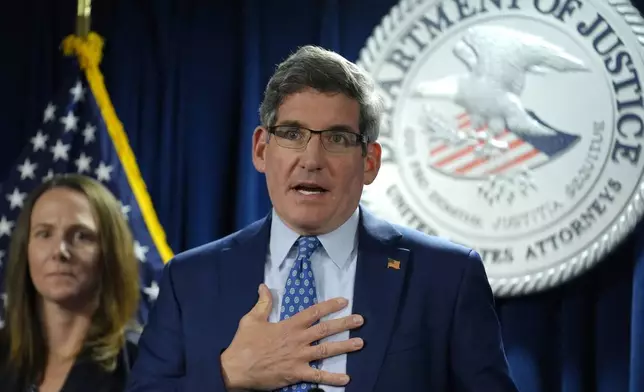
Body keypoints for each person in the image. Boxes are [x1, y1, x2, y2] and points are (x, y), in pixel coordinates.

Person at [126, 45, 520, 392]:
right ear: (262, 149)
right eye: (293, 134)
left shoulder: (446, 277)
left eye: (337, 139)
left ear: (369, 162)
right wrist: (228, 374)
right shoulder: (190, 279)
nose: (311, 160)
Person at [0, 174, 141, 392]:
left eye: (81, 236)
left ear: (110, 253)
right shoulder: (4, 355)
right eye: (44, 233)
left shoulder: (141, 363)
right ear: (25, 249)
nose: (59, 251)